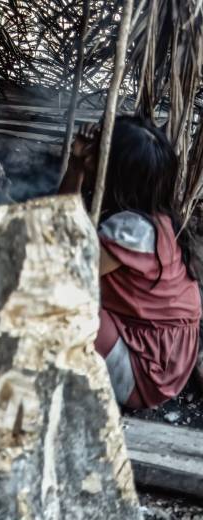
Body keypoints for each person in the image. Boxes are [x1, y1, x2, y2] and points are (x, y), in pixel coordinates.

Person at [58, 116, 200, 408]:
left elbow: (62, 261)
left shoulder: (132, 231)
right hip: (158, 354)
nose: (92, 154)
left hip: (145, 374)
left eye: (100, 152)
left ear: (116, 171)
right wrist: (75, 167)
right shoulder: (154, 218)